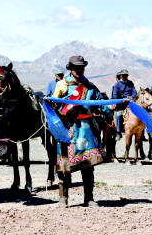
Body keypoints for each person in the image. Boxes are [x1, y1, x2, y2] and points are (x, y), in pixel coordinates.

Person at [52, 55, 108, 207]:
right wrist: (56, 97)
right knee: (64, 164)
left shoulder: (90, 87)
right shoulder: (61, 85)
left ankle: (89, 198)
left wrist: (119, 105)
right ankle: (63, 198)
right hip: (66, 129)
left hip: (86, 130)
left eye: (81, 67)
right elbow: (53, 107)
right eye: (76, 67)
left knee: (88, 165)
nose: (79, 69)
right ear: (70, 68)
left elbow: (101, 105)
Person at [111, 69, 137, 139]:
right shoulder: (117, 85)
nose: (125, 76)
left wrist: (131, 97)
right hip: (121, 104)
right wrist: (124, 98)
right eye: (123, 75)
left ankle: (141, 132)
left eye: (126, 75)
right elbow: (115, 95)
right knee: (119, 114)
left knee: (139, 113)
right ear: (121, 76)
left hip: (130, 103)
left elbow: (134, 91)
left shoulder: (130, 83)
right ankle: (118, 132)